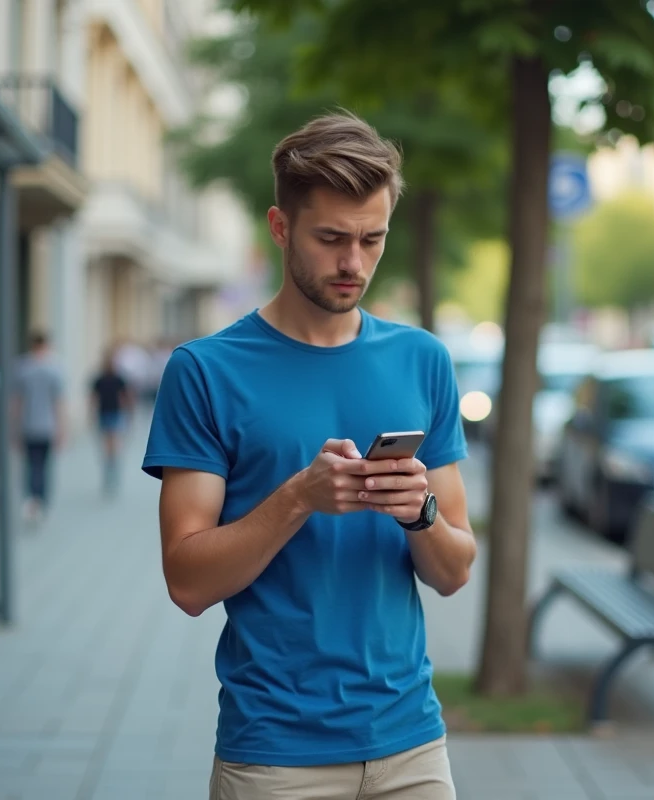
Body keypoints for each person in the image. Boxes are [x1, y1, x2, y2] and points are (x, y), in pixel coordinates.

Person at [143, 112, 476, 800]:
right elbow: (187, 582)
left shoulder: (423, 361)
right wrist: (299, 497)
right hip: (276, 753)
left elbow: (455, 570)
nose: (354, 263)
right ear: (281, 227)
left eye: (372, 239)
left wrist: (418, 514)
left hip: (411, 742)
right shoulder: (206, 371)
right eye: (331, 239)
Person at [13, 331, 64, 525]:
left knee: (30, 465)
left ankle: (31, 500)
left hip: (28, 426)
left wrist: (15, 429)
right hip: (47, 426)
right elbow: (58, 402)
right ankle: (41, 501)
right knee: (43, 466)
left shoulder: (22, 368)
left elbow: (17, 402)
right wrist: (61, 428)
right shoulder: (54, 368)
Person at [90, 347, 132, 496]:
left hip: (113, 413)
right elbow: (94, 399)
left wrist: (127, 412)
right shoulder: (101, 379)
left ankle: (111, 471)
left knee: (111, 446)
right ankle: (110, 470)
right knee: (109, 446)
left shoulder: (115, 378)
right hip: (108, 413)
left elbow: (124, 397)